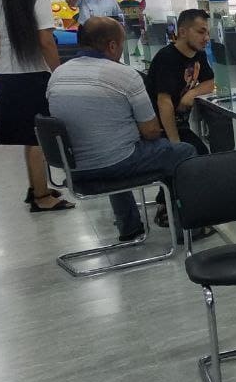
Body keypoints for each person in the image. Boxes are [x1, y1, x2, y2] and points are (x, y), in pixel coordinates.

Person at [46, 17, 196, 241]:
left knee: (116, 144)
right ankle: (186, 228)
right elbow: (151, 131)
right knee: (183, 151)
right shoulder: (125, 75)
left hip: (73, 169)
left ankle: (130, 227)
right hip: (113, 165)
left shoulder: (58, 74)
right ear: (112, 45)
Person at [0, 0, 74, 212]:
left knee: (29, 136)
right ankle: (42, 197)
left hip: (9, 77)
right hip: (33, 77)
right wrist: (58, 72)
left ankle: (36, 187)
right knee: (38, 139)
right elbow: (46, 41)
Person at [146, 8, 214, 225]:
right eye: (201, 32)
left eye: (207, 32)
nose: (206, 37)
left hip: (180, 125)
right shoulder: (167, 58)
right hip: (158, 129)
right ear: (183, 32)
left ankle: (175, 202)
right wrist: (175, 142)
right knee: (185, 156)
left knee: (202, 155)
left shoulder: (198, 55)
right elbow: (164, 103)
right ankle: (169, 207)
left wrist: (192, 93)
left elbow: (210, 82)